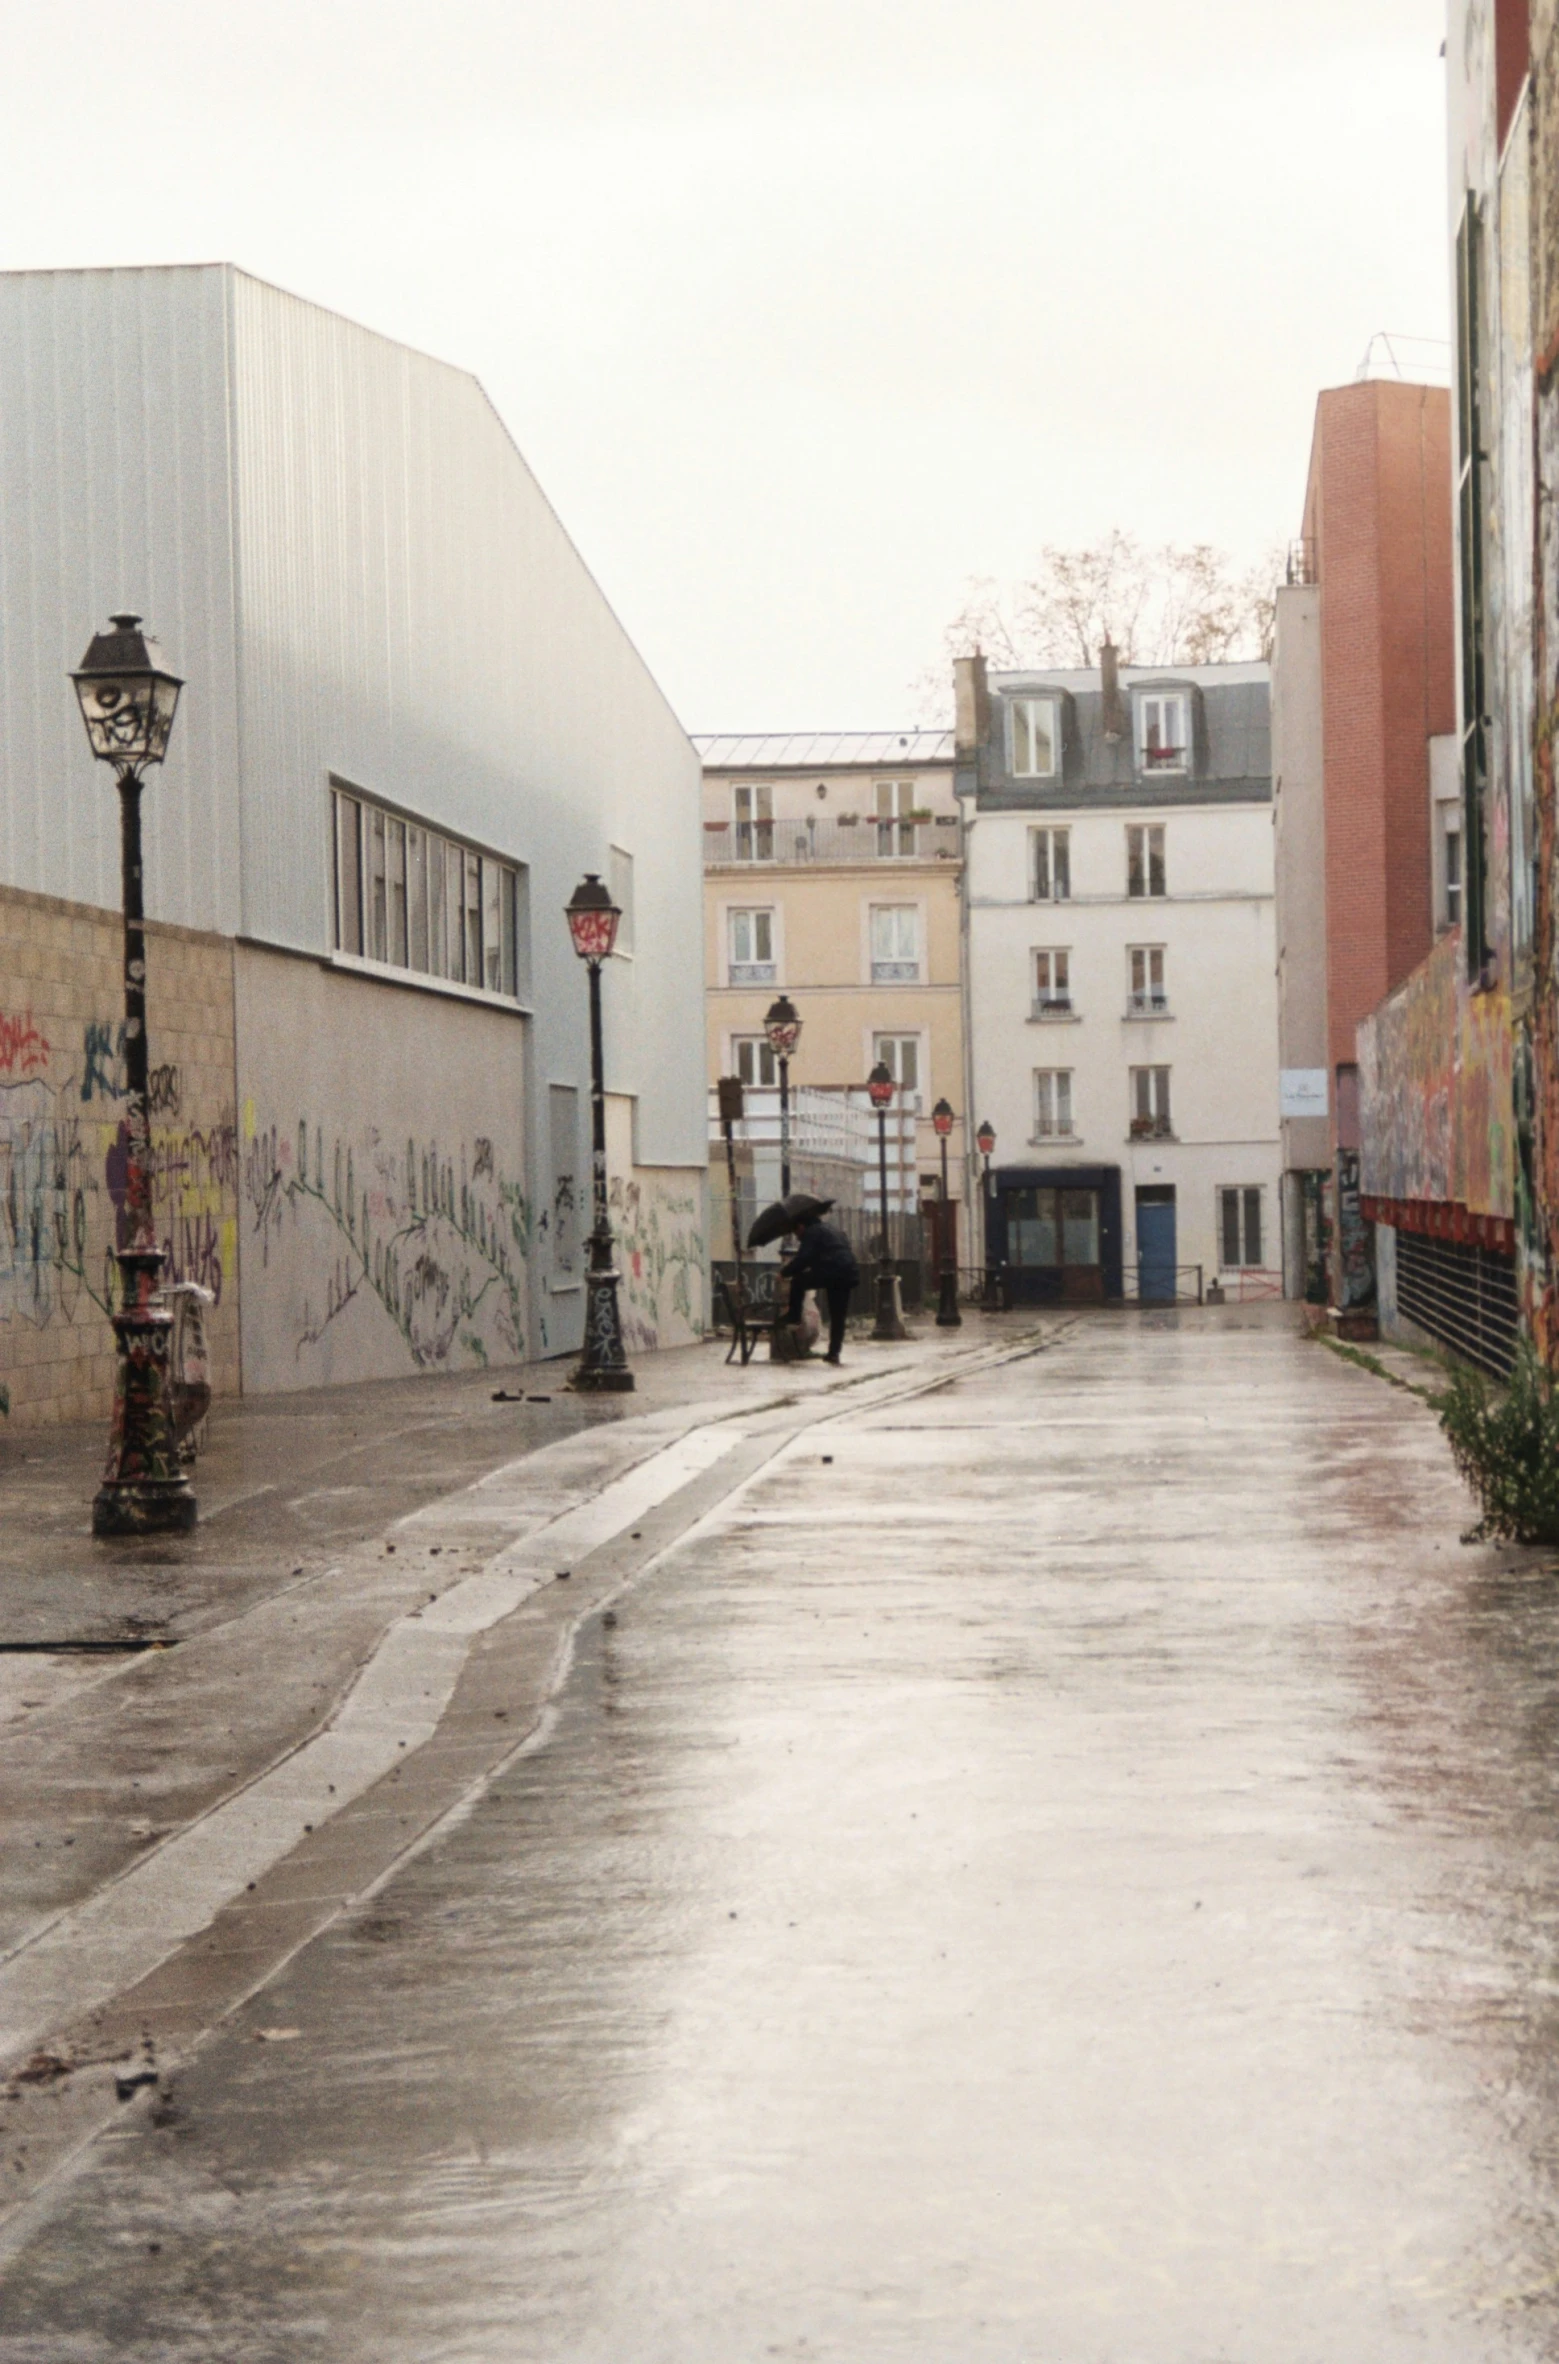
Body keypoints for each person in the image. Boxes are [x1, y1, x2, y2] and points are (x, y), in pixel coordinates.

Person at [781, 1213, 860, 1365]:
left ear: (801, 1226)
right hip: (849, 1272)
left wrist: (784, 1273)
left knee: (798, 1281)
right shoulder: (832, 1230)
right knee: (838, 1316)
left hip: (833, 1271)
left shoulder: (812, 1233)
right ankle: (834, 1353)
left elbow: (803, 1259)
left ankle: (794, 1316)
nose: (797, 1238)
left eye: (796, 1233)